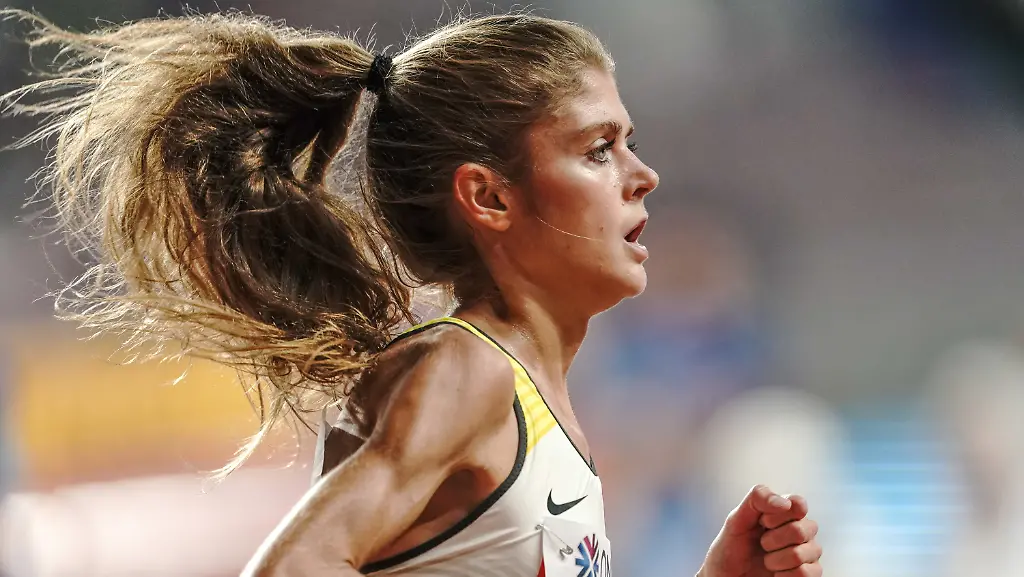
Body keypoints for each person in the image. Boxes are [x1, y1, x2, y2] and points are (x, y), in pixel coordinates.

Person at [2, 9, 823, 577]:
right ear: (489, 196)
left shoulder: (534, 397)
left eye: (629, 142)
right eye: (598, 149)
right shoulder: (466, 371)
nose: (644, 176)